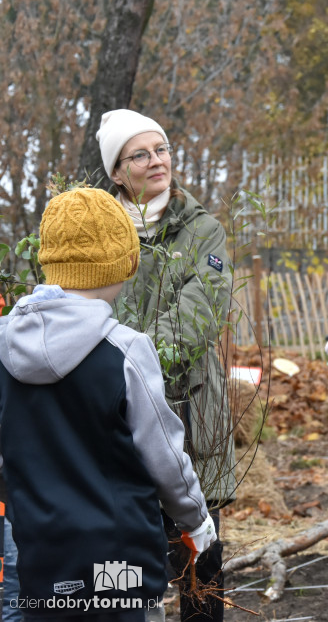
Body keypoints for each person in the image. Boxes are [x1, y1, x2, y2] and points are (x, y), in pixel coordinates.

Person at [0, 188, 216, 622]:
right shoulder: (125, 350)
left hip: (41, 555)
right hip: (117, 555)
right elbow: (165, 455)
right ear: (124, 264)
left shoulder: (4, 346)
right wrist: (194, 519)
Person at [97, 109, 234, 622]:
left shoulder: (202, 231)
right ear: (117, 171)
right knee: (125, 559)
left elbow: (200, 314)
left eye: (162, 149)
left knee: (200, 559)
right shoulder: (100, 232)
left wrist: (125, 361)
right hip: (112, 408)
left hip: (190, 410)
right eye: (141, 154)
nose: (158, 162)